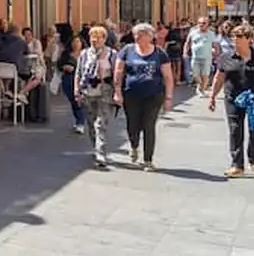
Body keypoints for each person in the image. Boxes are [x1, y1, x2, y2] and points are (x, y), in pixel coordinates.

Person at [208, 24, 254, 177]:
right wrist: (212, 96)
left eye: (239, 37)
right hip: (233, 98)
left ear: (249, 39)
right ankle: (237, 165)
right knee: (235, 130)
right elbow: (219, 78)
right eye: (233, 36)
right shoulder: (226, 57)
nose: (235, 40)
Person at [113, 22, 173, 170]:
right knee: (132, 125)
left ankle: (148, 160)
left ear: (150, 37)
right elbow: (118, 71)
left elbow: (168, 77)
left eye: (140, 35)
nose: (137, 37)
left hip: (153, 95)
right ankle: (134, 146)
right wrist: (117, 92)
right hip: (131, 94)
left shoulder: (160, 53)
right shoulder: (127, 50)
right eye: (135, 35)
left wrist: (168, 98)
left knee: (149, 126)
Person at [77, 25, 119, 167]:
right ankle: (96, 146)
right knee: (91, 122)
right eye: (92, 37)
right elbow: (79, 72)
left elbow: (117, 74)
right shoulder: (84, 54)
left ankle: (101, 153)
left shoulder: (111, 54)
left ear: (104, 39)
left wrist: (117, 92)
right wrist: (77, 89)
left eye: (97, 37)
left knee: (101, 123)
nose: (94, 40)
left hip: (105, 90)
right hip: (88, 89)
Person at [56, 32, 86, 133]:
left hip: (82, 79)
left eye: (78, 41)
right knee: (73, 101)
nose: (76, 44)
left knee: (79, 101)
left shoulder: (86, 53)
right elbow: (59, 65)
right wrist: (64, 67)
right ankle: (78, 120)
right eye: (74, 42)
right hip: (68, 79)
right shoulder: (66, 54)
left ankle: (81, 123)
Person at [184, 17, 218, 93]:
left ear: (207, 24)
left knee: (205, 75)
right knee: (195, 74)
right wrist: (185, 52)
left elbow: (215, 45)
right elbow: (187, 43)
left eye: (203, 23)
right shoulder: (193, 32)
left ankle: (201, 90)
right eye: (199, 23)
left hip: (207, 58)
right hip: (195, 57)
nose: (201, 25)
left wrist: (216, 54)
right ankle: (200, 85)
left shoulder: (211, 34)